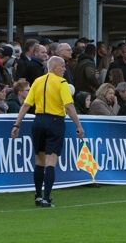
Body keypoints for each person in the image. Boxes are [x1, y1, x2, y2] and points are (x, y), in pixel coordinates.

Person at [11, 56, 85, 208]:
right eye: (63, 66)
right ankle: (47, 198)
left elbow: (25, 105)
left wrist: (17, 124)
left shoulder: (37, 82)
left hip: (38, 121)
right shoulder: (61, 83)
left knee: (39, 160)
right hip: (55, 122)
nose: (65, 69)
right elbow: (69, 107)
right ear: (54, 68)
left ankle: (38, 196)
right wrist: (79, 125)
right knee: (51, 161)